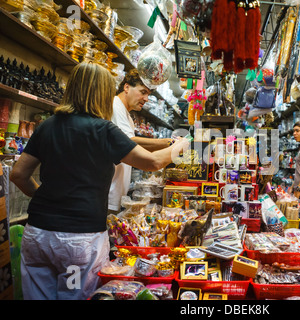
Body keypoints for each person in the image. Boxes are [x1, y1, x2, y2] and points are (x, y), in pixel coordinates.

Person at [10, 62, 189, 300]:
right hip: (76, 245)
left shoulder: (48, 126)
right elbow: (153, 162)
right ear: (104, 94)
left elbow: (18, 174)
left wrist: (45, 197)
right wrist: (179, 145)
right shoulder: (103, 130)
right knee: (72, 296)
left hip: (38, 238)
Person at [108, 69, 175, 214]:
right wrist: (168, 143)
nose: (146, 99)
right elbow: (128, 141)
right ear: (126, 87)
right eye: (142, 92)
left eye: (148, 94)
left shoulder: (128, 116)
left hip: (116, 191)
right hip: (109, 192)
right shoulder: (115, 106)